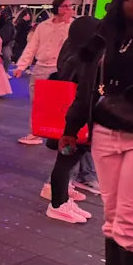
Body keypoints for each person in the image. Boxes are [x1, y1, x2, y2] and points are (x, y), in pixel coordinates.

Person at [65, 0, 133, 265]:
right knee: (112, 210)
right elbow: (86, 84)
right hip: (105, 131)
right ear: (121, 2)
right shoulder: (107, 38)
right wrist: (71, 127)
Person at [41, 16, 101, 224]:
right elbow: (78, 89)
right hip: (75, 120)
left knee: (66, 161)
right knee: (65, 161)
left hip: (75, 118)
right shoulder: (81, 59)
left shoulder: (72, 53)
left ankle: (62, 200)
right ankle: (57, 204)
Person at [15, 0, 75, 145]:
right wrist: (22, 66)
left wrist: (67, 24)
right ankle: (35, 132)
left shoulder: (73, 26)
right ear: (57, 8)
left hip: (60, 69)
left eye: (70, 6)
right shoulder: (43, 26)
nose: (68, 9)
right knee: (37, 102)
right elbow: (32, 46)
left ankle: (61, 132)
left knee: (60, 104)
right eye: (64, 6)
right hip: (41, 67)